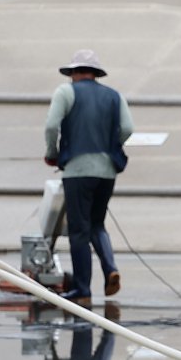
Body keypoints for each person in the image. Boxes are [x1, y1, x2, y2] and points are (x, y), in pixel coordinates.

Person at [44, 49, 133, 303]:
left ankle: (83, 290)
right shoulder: (114, 96)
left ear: (73, 73)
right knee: (97, 223)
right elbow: (128, 128)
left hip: (77, 172)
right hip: (107, 171)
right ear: (95, 74)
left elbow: (51, 126)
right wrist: (112, 145)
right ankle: (110, 269)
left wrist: (53, 152)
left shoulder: (65, 92)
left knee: (79, 230)